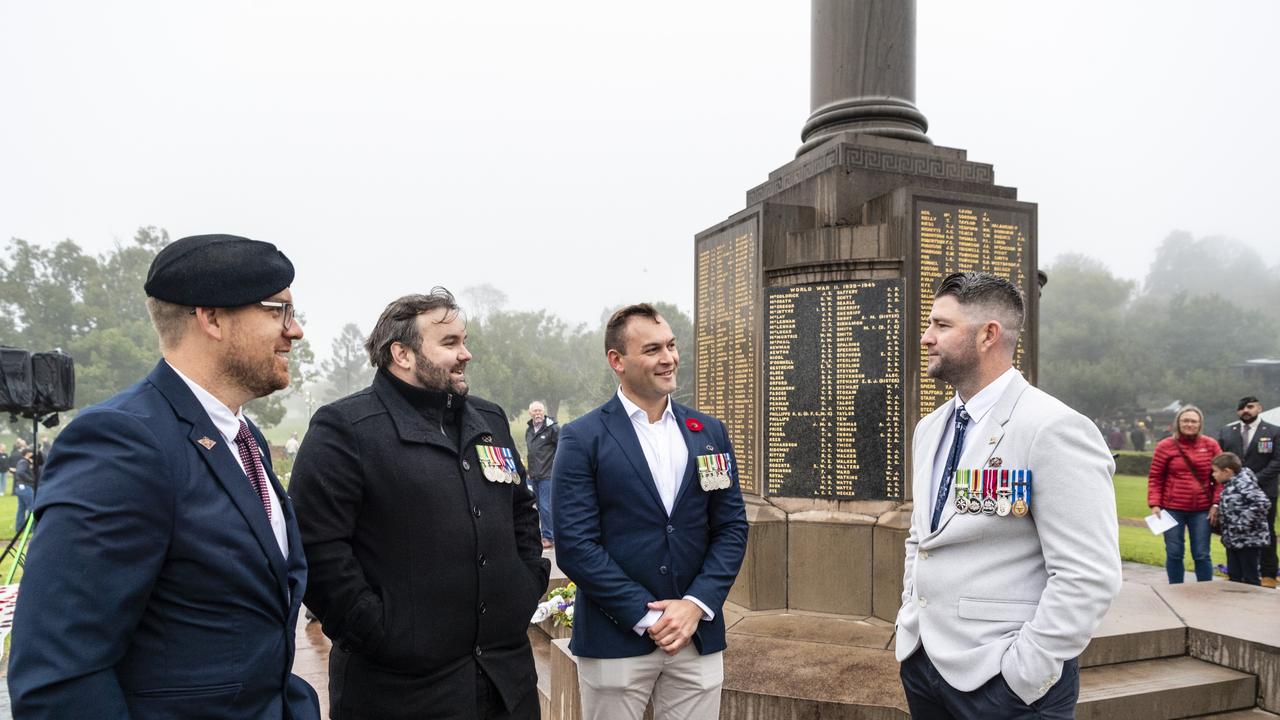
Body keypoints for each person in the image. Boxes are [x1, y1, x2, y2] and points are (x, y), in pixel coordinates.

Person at [7, 234, 320, 720]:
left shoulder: (243, 437)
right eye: (278, 310)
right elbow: (60, 674)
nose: (294, 330)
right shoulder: (122, 441)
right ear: (211, 317)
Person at [290, 288, 549, 719]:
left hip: (505, 682)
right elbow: (318, 549)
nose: (465, 354)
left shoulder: (489, 420)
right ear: (403, 354)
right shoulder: (346, 429)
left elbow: (520, 510)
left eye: (464, 341)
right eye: (449, 343)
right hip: (401, 692)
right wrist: (379, 632)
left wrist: (527, 583)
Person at [897, 272, 1121, 719]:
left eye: (942, 325)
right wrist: (910, 619)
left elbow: (1088, 574)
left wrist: (1024, 671)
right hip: (924, 666)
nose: (926, 338)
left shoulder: (1053, 427)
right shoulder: (931, 428)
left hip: (1006, 685)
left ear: (988, 335)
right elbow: (921, 539)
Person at [553, 303, 748, 720]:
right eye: (653, 349)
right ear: (617, 361)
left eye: (672, 346)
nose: (669, 359)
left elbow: (731, 527)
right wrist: (647, 616)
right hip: (616, 642)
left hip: (697, 638)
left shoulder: (709, 433)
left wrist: (696, 604)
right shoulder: (582, 437)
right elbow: (575, 545)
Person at [1148, 405, 1222, 583]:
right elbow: (1156, 477)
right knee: (1174, 553)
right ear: (1178, 423)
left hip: (1202, 509)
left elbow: (1221, 479)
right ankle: (1175, 589)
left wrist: (1216, 503)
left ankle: (1205, 589)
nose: (1189, 424)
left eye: (1193, 421)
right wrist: (1154, 503)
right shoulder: (1165, 446)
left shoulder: (1211, 445)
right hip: (1172, 508)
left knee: (1202, 554)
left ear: (1200, 424)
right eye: (1185, 420)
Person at [1216, 396, 1280, 588]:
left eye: (1250, 407)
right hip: (1232, 493)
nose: (1246, 411)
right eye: (1242, 408)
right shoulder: (1227, 431)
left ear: (1259, 408)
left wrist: (1251, 480)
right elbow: (1220, 460)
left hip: (1264, 490)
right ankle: (1236, 572)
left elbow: (1277, 461)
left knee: (1265, 530)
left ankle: (1268, 573)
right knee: (1234, 529)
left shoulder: (1274, 432)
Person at [1210, 452, 1272, 586]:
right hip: (1233, 540)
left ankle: (1252, 604)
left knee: (1250, 578)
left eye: (1215, 472)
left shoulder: (1244, 484)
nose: (1213, 475)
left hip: (1248, 541)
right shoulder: (1230, 484)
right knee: (1234, 577)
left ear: (1227, 471)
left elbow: (1262, 503)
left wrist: (1240, 524)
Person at [525, 400, 559, 549]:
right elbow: (531, 453)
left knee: (546, 506)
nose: (537, 413)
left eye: (539, 410)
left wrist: (558, 468)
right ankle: (545, 533)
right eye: (534, 411)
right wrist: (529, 473)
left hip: (548, 474)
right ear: (530, 413)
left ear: (543, 412)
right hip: (534, 476)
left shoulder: (552, 428)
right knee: (538, 506)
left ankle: (549, 537)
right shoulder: (529, 430)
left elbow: (561, 448)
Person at [12, 447, 35, 530]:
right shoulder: (24, 462)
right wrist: (31, 479)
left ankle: (19, 528)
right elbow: (20, 472)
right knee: (32, 508)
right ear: (28, 453)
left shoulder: (22, 462)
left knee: (21, 508)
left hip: (20, 488)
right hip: (25, 487)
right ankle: (32, 528)